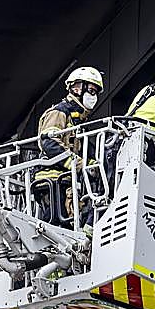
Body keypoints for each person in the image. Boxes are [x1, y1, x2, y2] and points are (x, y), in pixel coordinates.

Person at [35, 66, 106, 225]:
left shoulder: (79, 121)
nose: (93, 96)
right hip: (52, 177)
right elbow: (49, 142)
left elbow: (86, 150)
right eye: (91, 91)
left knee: (69, 218)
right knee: (55, 221)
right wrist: (78, 163)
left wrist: (93, 162)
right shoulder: (59, 112)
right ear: (76, 88)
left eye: (95, 92)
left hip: (67, 178)